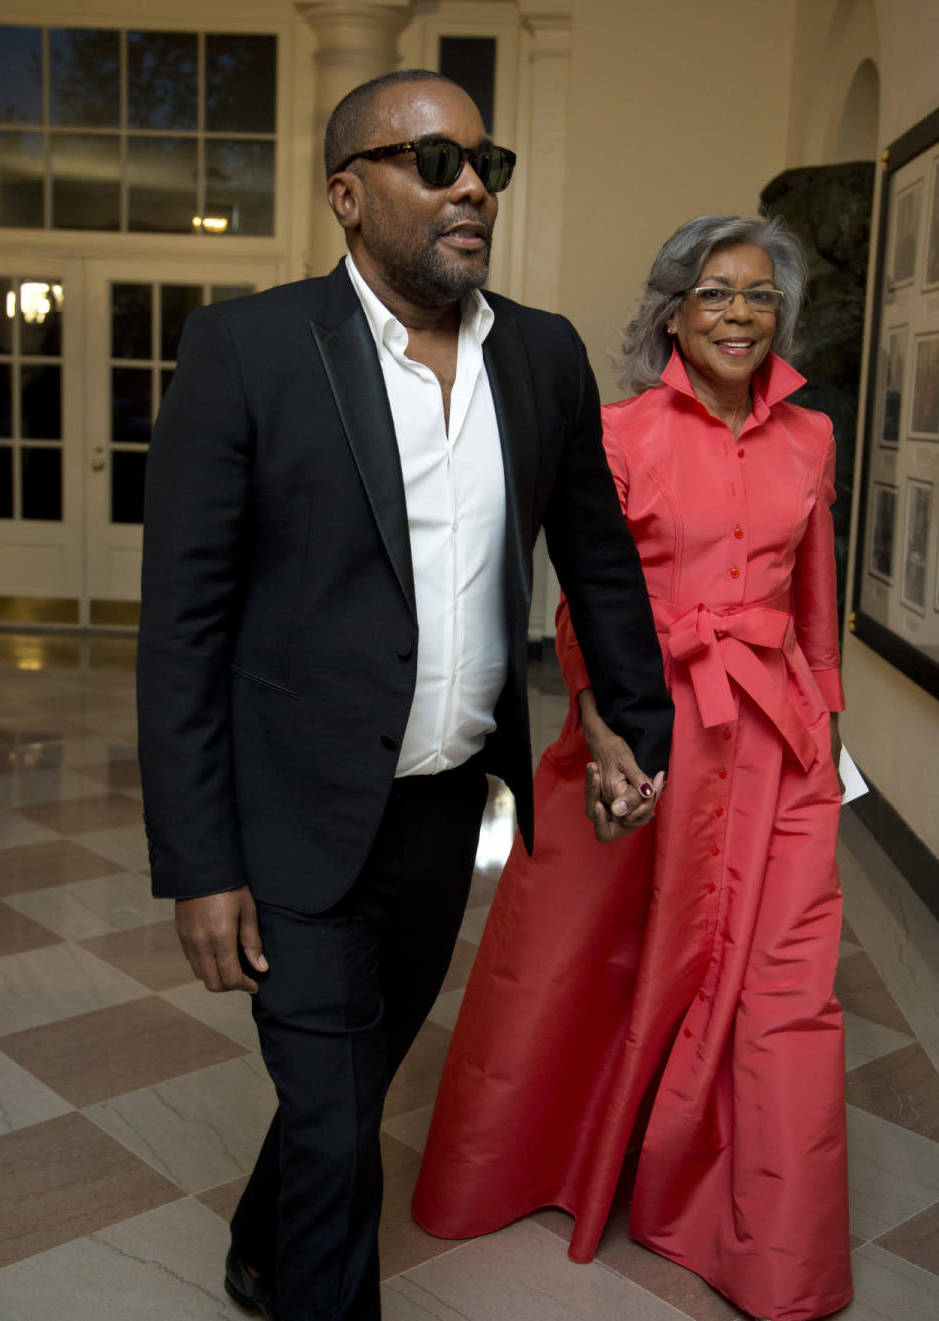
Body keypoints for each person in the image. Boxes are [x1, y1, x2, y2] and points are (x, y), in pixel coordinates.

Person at [137, 69, 673, 1321]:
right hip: (291, 821)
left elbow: (595, 553)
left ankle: (264, 1244)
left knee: (353, 1079)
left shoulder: (540, 355)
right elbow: (183, 632)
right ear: (346, 193)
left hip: (444, 817)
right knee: (340, 1134)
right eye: (434, 163)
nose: (472, 185)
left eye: (487, 164)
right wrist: (198, 863)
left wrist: (627, 716)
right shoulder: (249, 349)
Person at [412, 215, 853, 1321]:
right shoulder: (615, 433)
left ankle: (757, 1236)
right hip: (647, 727)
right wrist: (604, 727)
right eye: (714, 294)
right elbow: (585, 602)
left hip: (775, 740)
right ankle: (525, 1163)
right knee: (572, 953)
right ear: (670, 311)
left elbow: (814, 605)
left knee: (777, 984)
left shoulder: (812, 438)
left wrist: (827, 731)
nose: (740, 315)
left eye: (759, 296)